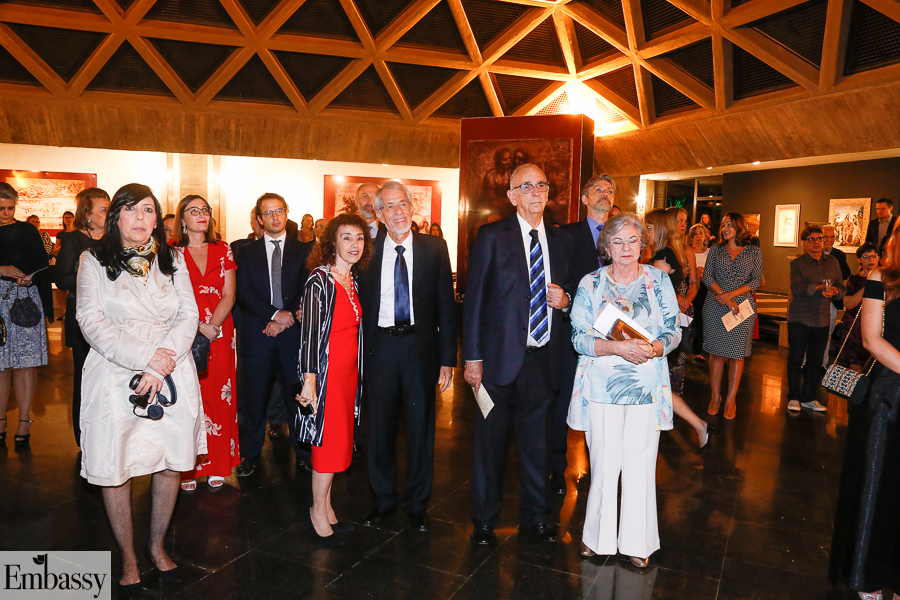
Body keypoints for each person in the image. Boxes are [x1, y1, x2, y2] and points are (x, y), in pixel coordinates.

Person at [76, 183, 205, 595]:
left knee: (170, 461)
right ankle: (129, 557)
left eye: (148, 210)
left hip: (172, 369)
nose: (140, 218)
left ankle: (156, 546)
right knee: (116, 465)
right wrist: (148, 359)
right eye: (131, 210)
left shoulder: (174, 258)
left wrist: (163, 360)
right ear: (116, 217)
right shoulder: (93, 260)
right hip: (117, 371)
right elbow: (91, 321)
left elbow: (189, 314)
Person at [463, 163, 575, 546]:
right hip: (496, 362)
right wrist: (472, 357)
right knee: (490, 448)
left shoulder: (561, 241)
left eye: (541, 185)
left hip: (542, 361)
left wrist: (566, 299)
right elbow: (474, 301)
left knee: (537, 447)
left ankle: (536, 518)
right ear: (512, 196)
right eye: (526, 186)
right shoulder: (492, 236)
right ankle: (484, 521)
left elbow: (572, 290)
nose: (535, 192)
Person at [568, 213, 680, 567]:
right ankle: (596, 539)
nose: (626, 248)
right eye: (617, 241)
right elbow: (578, 338)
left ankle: (637, 542)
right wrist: (617, 348)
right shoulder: (591, 283)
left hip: (646, 388)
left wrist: (655, 348)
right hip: (602, 388)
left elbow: (673, 330)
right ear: (606, 247)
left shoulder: (658, 280)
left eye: (632, 240)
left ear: (642, 244)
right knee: (603, 464)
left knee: (640, 465)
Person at [356, 181, 456, 532]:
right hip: (380, 348)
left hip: (419, 349)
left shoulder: (434, 248)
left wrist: (447, 359)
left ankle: (416, 503)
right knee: (379, 428)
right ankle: (383, 499)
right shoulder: (366, 251)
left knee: (420, 429)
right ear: (379, 214)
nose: (398, 212)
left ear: (412, 208)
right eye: (389, 206)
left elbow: (446, 306)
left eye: (403, 204)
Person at [829, 224, 900, 600]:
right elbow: (872, 339)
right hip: (886, 399)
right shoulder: (881, 278)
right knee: (877, 487)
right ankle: (868, 575)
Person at [295, 213, 371, 544]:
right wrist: (310, 382)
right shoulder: (319, 281)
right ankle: (317, 511)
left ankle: (327, 507)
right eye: (346, 237)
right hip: (326, 376)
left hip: (348, 375)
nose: (354, 244)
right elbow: (309, 336)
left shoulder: (352, 279)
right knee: (325, 445)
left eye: (360, 238)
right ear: (332, 243)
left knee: (339, 441)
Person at [234, 193, 311, 477]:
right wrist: (274, 315)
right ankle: (250, 454)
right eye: (268, 213)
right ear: (259, 219)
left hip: (293, 336)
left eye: (279, 211)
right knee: (254, 399)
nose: (275, 217)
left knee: (297, 397)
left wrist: (285, 318)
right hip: (259, 335)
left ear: (287, 212)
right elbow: (243, 293)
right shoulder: (245, 252)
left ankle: (304, 453)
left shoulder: (304, 250)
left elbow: (306, 289)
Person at [171, 195, 240, 491]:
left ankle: (218, 464)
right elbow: (168, 296)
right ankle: (186, 468)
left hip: (220, 333)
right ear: (182, 218)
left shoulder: (223, 248)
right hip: (183, 332)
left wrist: (212, 326)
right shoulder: (171, 252)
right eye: (194, 210)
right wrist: (198, 326)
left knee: (220, 398)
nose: (201, 215)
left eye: (205, 210)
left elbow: (229, 294)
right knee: (188, 399)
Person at [554, 174, 615, 495]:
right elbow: (561, 279)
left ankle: (602, 470)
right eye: (598, 190)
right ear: (585, 199)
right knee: (563, 401)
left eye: (610, 190)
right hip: (573, 333)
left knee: (604, 404)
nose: (605, 194)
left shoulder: (622, 234)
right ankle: (555, 468)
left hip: (612, 337)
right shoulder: (566, 235)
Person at [646, 209, 710, 449]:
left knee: (658, 381)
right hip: (667, 324)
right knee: (660, 382)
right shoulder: (672, 251)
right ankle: (699, 426)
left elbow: (653, 292)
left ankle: (697, 425)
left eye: (649, 227)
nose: (645, 231)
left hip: (659, 327)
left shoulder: (663, 255)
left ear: (659, 229)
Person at [55, 186, 110, 447]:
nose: (109, 214)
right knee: (86, 379)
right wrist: (93, 279)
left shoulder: (114, 240)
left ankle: (108, 434)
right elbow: (61, 278)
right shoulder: (73, 240)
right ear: (87, 214)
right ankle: (84, 437)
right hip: (84, 321)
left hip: (114, 320)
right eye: (104, 209)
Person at [0, 183, 53, 449]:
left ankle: (24, 420)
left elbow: (43, 264)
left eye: (10, 208)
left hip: (25, 298)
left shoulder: (27, 230)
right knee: (0, 363)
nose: (6, 213)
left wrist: (31, 276)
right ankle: (0, 420)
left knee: (25, 362)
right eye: (1, 208)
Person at [703, 213, 763, 420]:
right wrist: (724, 297)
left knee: (737, 354)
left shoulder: (754, 251)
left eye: (729, 224)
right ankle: (715, 397)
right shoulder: (715, 250)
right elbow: (707, 277)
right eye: (723, 225)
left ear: (739, 227)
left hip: (742, 308)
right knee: (716, 354)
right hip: (716, 304)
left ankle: (730, 399)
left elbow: (756, 281)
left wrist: (731, 295)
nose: (724, 228)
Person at [785, 225, 845, 413]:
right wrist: (819, 287)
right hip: (800, 317)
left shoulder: (833, 262)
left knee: (816, 360)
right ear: (804, 243)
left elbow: (841, 287)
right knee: (796, 359)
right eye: (812, 239)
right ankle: (793, 396)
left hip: (822, 318)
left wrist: (835, 291)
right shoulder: (797, 263)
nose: (817, 242)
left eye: (820, 238)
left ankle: (809, 398)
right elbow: (796, 288)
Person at [836, 243, 880, 372]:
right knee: (855, 364)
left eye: (874, 256)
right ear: (859, 260)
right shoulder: (854, 279)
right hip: (855, 326)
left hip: (878, 324)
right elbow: (849, 304)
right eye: (866, 256)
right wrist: (869, 285)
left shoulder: (886, 279)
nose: (871, 259)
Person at [823, 224, 851, 364]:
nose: (829, 240)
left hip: (832, 297)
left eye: (831, 237)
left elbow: (846, 273)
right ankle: (806, 362)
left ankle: (823, 362)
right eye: (825, 237)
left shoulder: (839, 255)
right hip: (815, 298)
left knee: (828, 331)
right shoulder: (813, 253)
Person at [688, 223, 710, 361]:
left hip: (705, 288)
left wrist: (704, 272)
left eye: (701, 233)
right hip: (690, 287)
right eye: (695, 234)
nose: (698, 236)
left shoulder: (710, 252)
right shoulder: (687, 251)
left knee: (701, 318)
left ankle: (697, 349)